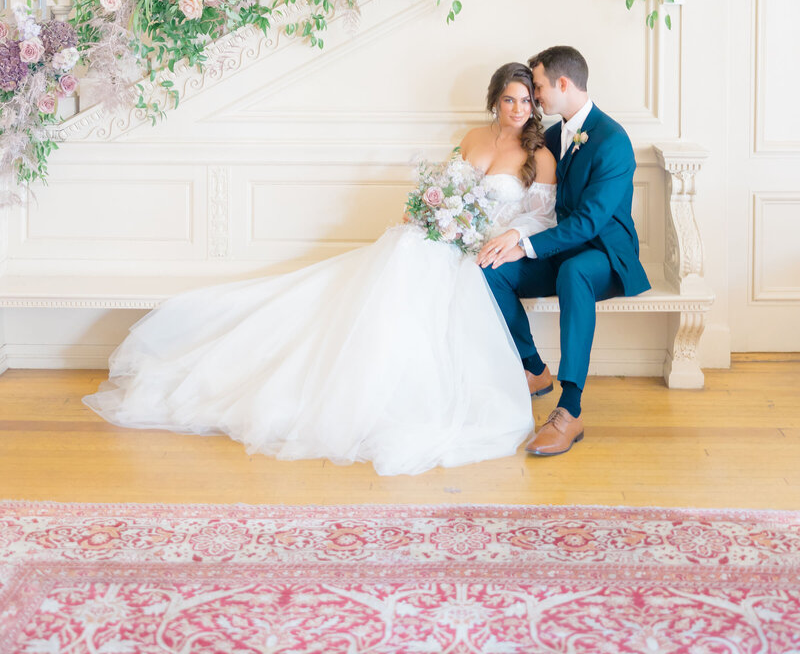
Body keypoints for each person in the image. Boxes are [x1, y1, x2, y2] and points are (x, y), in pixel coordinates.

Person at [84, 63, 557, 476]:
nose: (518, 109)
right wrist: (430, 212)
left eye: (524, 102)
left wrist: (506, 238)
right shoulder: (472, 139)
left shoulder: (539, 156)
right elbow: (444, 185)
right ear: (495, 101)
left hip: (478, 248)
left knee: (422, 274)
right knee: (401, 256)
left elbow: (540, 216)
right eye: (509, 100)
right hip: (438, 235)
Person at [478, 45, 650, 457]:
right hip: (560, 248)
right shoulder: (553, 135)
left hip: (605, 255)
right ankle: (535, 369)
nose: (534, 98)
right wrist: (510, 239)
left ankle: (569, 410)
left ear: (562, 83)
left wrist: (527, 244)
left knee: (574, 272)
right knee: (491, 268)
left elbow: (590, 222)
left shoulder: (613, 140)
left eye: (536, 88)